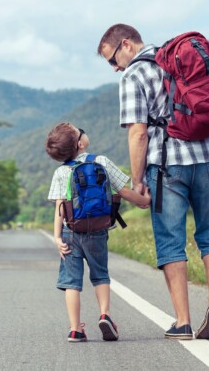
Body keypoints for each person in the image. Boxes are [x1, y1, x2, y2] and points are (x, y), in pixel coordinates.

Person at [97, 24, 209, 340]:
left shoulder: (133, 75)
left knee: (171, 241)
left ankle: (183, 321)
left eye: (113, 60)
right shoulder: (178, 58)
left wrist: (138, 179)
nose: (115, 69)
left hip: (167, 166)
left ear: (126, 45)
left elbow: (138, 133)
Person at [45, 122, 151, 343]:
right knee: (100, 275)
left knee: (72, 282)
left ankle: (75, 329)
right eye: (80, 131)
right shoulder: (100, 161)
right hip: (99, 231)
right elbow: (123, 191)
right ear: (81, 143)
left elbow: (59, 208)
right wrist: (144, 201)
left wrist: (57, 238)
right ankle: (105, 315)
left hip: (70, 232)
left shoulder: (61, 172)